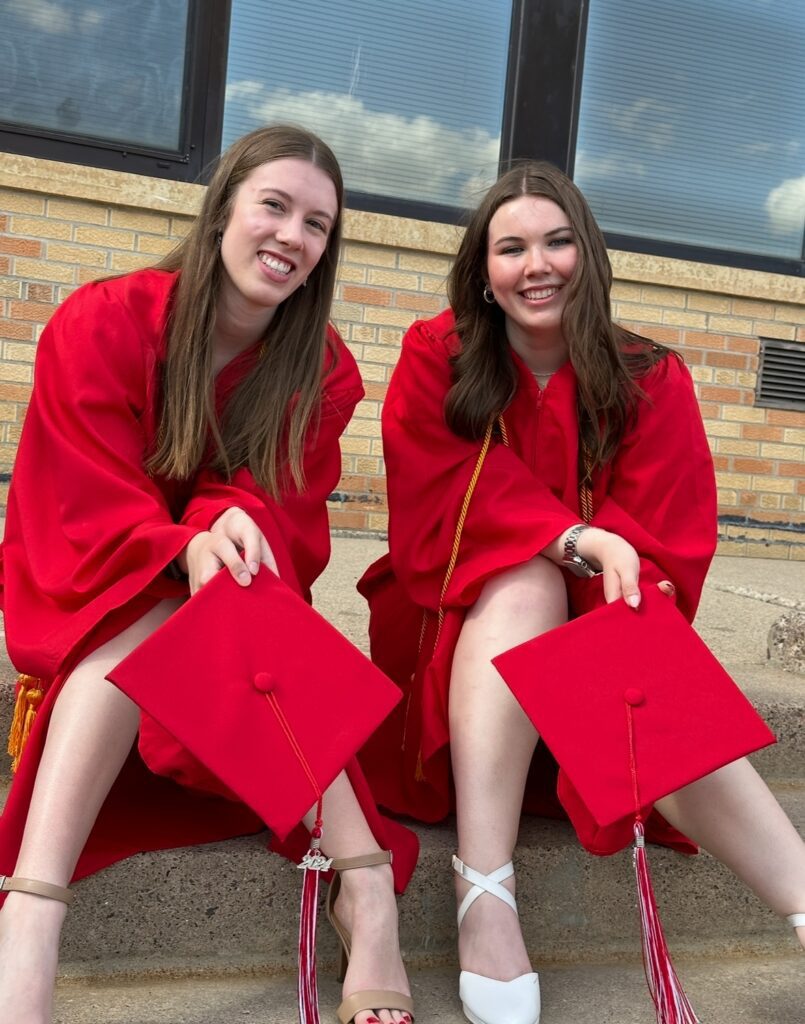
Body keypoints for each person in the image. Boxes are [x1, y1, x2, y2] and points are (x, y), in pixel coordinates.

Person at [358, 161, 805, 1024]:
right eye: (511, 248)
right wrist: (570, 540)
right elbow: (434, 506)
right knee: (523, 575)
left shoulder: (649, 376)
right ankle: (484, 889)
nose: (536, 265)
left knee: (634, 647)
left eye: (557, 242)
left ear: (588, 256)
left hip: (595, 633)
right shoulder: (436, 358)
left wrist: (606, 577)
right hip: (454, 632)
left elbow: (667, 537)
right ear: (481, 272)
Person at [0, 125, 415, 1024]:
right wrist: (180, 542)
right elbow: (79, 492)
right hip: (94, 585)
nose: (291, 236)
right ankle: (31, 915)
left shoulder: (322, 369)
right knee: (154, 609)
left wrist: (216, 528)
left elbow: (284, 510)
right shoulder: (104, 320)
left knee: (241, 579)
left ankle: (366, 894)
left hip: (232, 608)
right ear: (223, 206)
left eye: (316, 224)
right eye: (274, 205)